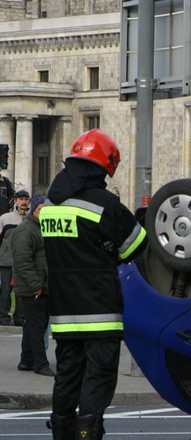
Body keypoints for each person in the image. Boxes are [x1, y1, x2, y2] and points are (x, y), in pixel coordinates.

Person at [41, 129, 147, 440]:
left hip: (63, 313)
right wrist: (108, 249)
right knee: (98, 377)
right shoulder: (104, 203)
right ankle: (88, 432)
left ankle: (61, 431)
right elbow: (136, 246)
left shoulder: (50, 205)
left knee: (67, 377)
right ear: (104, 166)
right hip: (100, 309)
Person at [11, 194, 53, 377]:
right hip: (33, 287)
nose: (44, 212)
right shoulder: (25, 230)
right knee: (37, 327)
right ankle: (40, 363)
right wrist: (36, 284)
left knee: (34, 325)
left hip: (41, 285)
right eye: (41, 208)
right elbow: (23, 262)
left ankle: (26, 361)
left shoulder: (42, 228)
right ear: (34, 209)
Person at [0, 189, 29, 326]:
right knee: (5, 290)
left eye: (26, 199)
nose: (23, 202)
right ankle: (3, 316)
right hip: (6, 260)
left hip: (23, 263)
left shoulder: (30, 219)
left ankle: (19, 317)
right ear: (16, 201)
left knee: (21, 291)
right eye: (21, 199)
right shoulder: (5, 218)